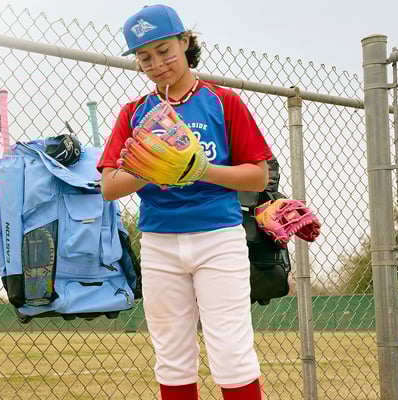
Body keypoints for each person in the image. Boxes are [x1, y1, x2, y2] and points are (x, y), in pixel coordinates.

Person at [97, 5, 273, 400]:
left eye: (164, 51)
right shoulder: (134, 113)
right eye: (144, 57)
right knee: (172, 355)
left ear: (186, 42)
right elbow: (109, 186)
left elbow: (257, 175)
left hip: (218, 238)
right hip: (160, 241)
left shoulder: (223, 102)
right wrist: (153, 167)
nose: (156, 64)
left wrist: (198, 169)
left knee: (231, 351)